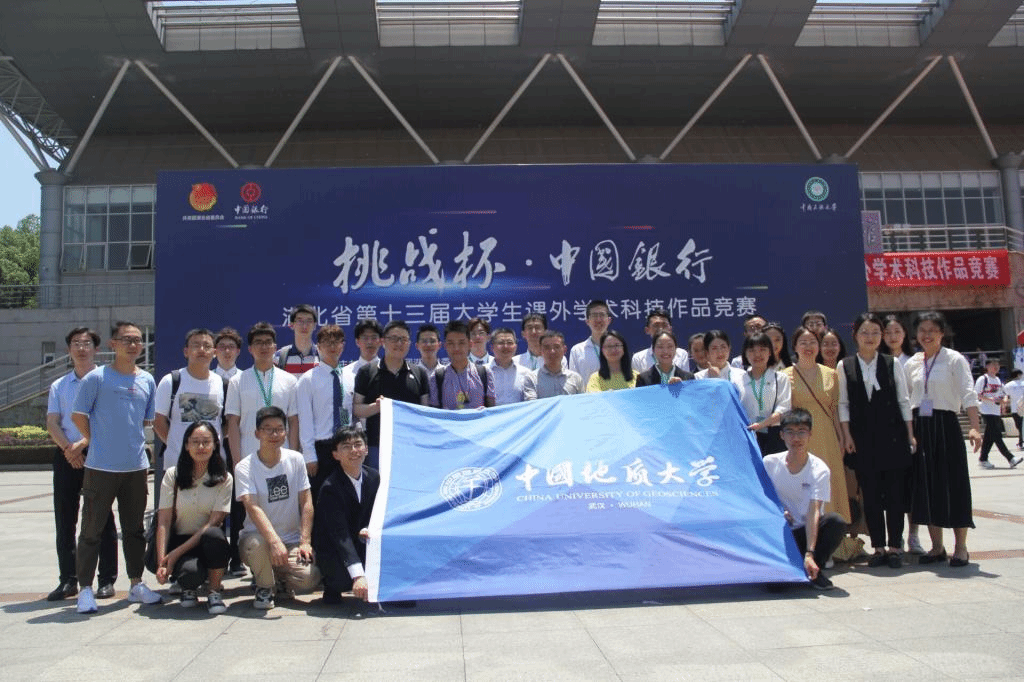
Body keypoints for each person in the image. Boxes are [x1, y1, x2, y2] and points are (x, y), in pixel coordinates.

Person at [72, 321, 161, 614]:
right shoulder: (96, 378)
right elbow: (78, 415)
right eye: (126, 340)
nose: (133, 345)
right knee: (91, 530)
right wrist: (96, 440)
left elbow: (146, 420)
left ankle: (136, 583)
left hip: (135, 467)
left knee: (134, 530)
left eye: (137, 340)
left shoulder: (147, 380)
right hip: (100, 467)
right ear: (113, 344)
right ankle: (85, 589)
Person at [45, 327, 118, 602]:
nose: (81, 348)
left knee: (102, 518)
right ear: (69, 350)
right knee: (65, 519)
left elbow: (109, 420)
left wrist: (84, 443)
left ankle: (106, 579)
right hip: (67, 456)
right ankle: (68, 579)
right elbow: (52, 422)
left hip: (99, 455)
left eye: (87, 343)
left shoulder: (107, 381)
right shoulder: (59, 385)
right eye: (76, 343)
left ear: (96, 349)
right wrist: (69, 448)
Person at [904, 311, 982, 567]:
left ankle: (961, 548)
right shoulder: (912, 363)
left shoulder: (954, 359)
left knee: (954, 484)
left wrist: (974, 427)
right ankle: (937, 547)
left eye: (932, 330)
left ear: (941, 333)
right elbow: (906, 399)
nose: (926, 335)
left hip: (946, 425)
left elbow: (968, 393)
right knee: (926, 486)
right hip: (920, 427)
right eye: (922, 330)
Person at [838, 313, 915, 569]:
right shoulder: (845, 365)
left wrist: (910, 433)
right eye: (864, 332)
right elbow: (843, 404)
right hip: (862, 439)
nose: (869, 337)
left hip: (892, 437)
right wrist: (847, 435)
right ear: (855, 336)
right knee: (870, 495)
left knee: (894, 495)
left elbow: (904, 400)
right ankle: (878, 547)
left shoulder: (892, 363)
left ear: (881, 336)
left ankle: (895, 547)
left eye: (875, 332)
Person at [235, 406, 320, 609]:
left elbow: (306, 502)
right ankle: (265, 586)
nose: (274, 434)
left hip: (291, 541)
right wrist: (274, 541)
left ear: (286, 432)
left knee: (310, 577)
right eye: (268, 429)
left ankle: (278, 579)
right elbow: (252, 507)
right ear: (257, 433)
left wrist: (305, 541)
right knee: (257, 545)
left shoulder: (296, 459)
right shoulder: (244, 467)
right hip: (257, 539)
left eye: (279, 429)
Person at [762, 408, 847, 590]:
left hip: (806, 532)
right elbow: (760, 499)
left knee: (836, 522)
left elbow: (813, 511)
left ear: (810, 435)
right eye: (790, 432)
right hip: (780, 532)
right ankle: (789, 568)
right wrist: (777, 512)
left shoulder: (819, 469)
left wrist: (810, 552)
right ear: (781, 435)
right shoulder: (769, 463)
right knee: (775, 588)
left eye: (801, 432)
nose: (796, 438)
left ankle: (814, 569)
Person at [153, 421, 232, 614]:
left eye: (206, 442)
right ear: (186, 445)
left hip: (206, 540)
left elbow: (214, 522)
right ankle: (188, 587)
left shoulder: (224, 478)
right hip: (180, 538)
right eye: (195, 442)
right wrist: (163, 561)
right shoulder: (172, 475)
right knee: (190, 574)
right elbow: (164, 521)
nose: (201, 447)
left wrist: (175, 554)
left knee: (215, 535)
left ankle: (214, 590)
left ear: (215, 445)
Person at [782, 327, 851, 543]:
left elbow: (836, 409)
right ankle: (807, 539)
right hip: (800, 438)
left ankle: (832, 540)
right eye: (803, 342)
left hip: (828, 437)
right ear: (795, 347)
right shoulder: (785, 375)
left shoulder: (831, 374)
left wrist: (842, 437)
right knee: (804, 485)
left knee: (828, 484)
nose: (808, 347)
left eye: (812, 342)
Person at [153, 328, 224, 510]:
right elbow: (158, 420)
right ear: (186, 351)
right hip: (177, 465)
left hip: (212, 466)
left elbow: (226, 423)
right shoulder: (171, 381)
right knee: (175, 516)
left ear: (214, 352)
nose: (201, 350)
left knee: (210, 518)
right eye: (196, 345)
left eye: (207, 346)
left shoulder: (222, 384)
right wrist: (179, 445)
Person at [314, 426, 379, 604]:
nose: (353, 450)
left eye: (358, 444)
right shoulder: (330, 487)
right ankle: (332, 586)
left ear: (366, 449)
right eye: (346, 446)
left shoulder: (375, 478)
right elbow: (339, 534)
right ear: (336, 454)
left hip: (365, 543)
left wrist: (370, 529)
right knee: (342, 579)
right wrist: (358, 575)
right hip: (336, 549)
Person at [354, 320, 430, 467]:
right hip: (377, 446)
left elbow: (425, 411)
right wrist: (376, 407)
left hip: (411, 445)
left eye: (403, 339)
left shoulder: (419, 373)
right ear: (383, 341)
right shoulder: (367, 372)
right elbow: (356, 409)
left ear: (409, 343)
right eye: (394, 339)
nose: (399, 343)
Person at [225, 322, 300, 469]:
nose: (263, 347)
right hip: (248, 456)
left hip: (283, 457)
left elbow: (293, 421)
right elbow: (233, 424)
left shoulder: (289, 380)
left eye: (267, 342)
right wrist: (237, 462)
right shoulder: (237, 381)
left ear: (275, 348)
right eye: (258, 343)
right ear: (250, 349)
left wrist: (293, 456)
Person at [296, 324, 353, 500]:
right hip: (322, 449)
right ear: (318, 347)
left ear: (343, 345)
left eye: (336, 342)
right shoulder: (308, 380)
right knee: (322, 499)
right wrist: (309, 455)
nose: (332, 346)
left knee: (347, 498)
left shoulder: (350, 377)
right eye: (327, 342)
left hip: (347, 446)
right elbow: (305, 420)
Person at [739, 333, 791, 456]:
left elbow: (784, 409)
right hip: (746, 436)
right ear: (745, 354)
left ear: (770, 352)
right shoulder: (738, 379)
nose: (757, 354)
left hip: (774, 436)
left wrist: (761, 425)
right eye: (752, 350)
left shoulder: (780, 378)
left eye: (762, 349)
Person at [429, 320, 496, 409]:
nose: (456, 348)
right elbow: (434, 412)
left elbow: (492, 411)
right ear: (445, 346)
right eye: (451, 343)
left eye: (461, 343)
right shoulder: (437, 377)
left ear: (470, 344)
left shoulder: (485, 373)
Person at [975, 358, 1022, 469]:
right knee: (997, 435)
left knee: (989, 436)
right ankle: (1010, 458)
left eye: (998, 365)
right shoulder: (983, 379)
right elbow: (977, 394)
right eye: (993, 364)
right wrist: (992, 399)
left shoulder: (998, 380)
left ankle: (983, 459)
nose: (996, 367)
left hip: (996, 411)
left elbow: (1004, 393)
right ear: (987, 366)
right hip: (986, 410)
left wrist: (1004, 400)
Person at [523, 331, 585, 400]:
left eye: (557, 347)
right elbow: (532, 405)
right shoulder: (531, 379)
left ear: (564, 350)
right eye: (547, 347)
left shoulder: (576, 378)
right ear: (541, 350)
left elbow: (582, 403)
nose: (552, 351)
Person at [630, 309, 688, 373]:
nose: (661, 329)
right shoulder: (638, 358)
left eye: (664, 325)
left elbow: (685, 378)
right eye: (656, 325)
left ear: (670, 329)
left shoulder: (681, 354)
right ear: (647, 330)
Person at [569, 300, 611, 385]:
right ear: (587, 321)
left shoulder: (618, 347)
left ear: (609, 320)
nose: (598, 320)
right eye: (594, 316)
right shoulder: (577, 350)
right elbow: (574, 383)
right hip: (588, 394)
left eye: (602, 315)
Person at [694, 330, 746, 394]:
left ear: (729, 348)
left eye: (723, 347)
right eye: (714, 348)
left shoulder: (742, 375)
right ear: (707, 352)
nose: (720, 352)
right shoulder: (698, 378)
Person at [488, 327, 531, 404]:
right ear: (492, 347)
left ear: (515, 347)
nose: (505, 346)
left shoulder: (526, 373)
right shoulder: (482, 372)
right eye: (501, 343)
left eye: (509, 343)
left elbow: (530, 402)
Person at [275, 304, 319, 375]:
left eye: (309, 321)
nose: (304, 326)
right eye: (300, 321)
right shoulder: (279, 357)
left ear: (314, 325)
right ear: (291, 325)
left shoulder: (323, 356)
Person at [1004, 369, 1024, 450]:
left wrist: (1005, 407)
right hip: (1022, 408)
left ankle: (1021, 442)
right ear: (1018, 375)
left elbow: (1005, 396)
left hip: (1015, 409)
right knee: (1022, 427)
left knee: (1019, 426)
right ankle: (1021, 441)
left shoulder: (1008, 385)